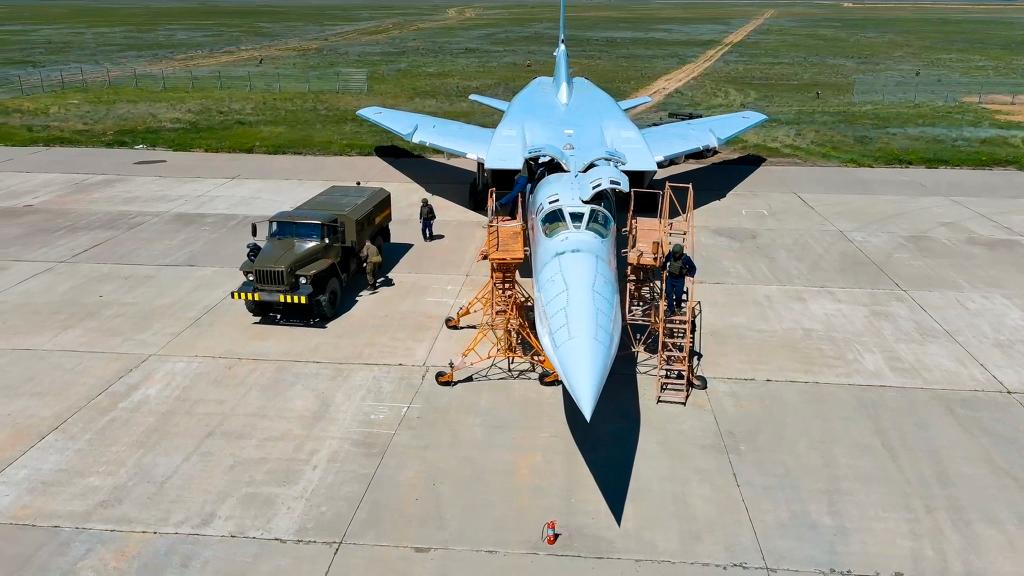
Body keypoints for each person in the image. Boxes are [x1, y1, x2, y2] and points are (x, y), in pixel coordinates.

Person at [662, 243, 696, 317]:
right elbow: (665, 261)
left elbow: (693, 267)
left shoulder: (686, 258)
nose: (675, 255)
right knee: (668, 293)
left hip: (679, 280)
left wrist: (690, 275)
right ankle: (671, 309)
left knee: (678, 295)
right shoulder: (671, 254)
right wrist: (663, 267)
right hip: (670, 278)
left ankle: (678, 306)